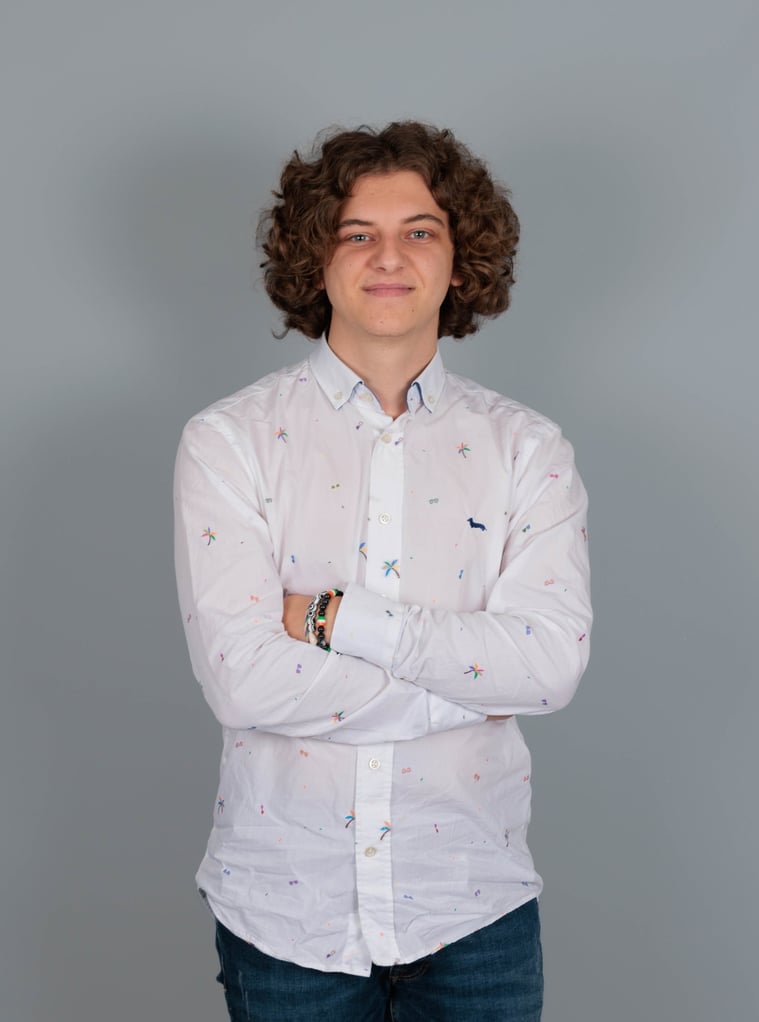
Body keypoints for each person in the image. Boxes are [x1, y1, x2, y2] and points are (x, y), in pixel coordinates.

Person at [173, 121, 592, 1022]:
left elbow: (549, 666)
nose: (388, 256)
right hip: (285, 913)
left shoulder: (528, 450)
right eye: (357, 232)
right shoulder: (229, 442)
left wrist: (339, 621)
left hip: (475, 906)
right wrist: (473, 685)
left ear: (461, 258)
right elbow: (245, 683)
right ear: (315, 257)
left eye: (420, 230)